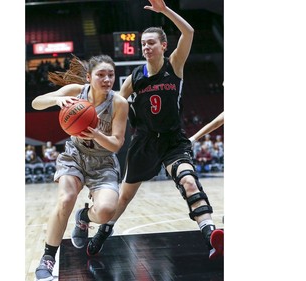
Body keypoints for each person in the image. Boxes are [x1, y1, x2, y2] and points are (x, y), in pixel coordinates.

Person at [88, 0, 223, 260]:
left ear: (163, 46)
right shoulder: (135, 78)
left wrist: (165, 11)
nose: (146, 47)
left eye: (151, 43)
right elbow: (113, 102)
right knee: (125, 197)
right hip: (144, 142)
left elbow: (189, 33)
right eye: (143, 44)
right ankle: (103, 231)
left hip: (174, 140)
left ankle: (211, 235)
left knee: (188, 181)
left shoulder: (175, 66)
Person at [31, 54, 129, 281]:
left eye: (110, 75)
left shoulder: (119, 103)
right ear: (89, 77)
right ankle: (48, 257)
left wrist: (95, 132)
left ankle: (84, 216)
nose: (106, 79)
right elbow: (36, 103)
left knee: (105, 212)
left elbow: (115, 144)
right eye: (101, 75)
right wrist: (56, 100)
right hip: (75, 156)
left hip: (103, 162)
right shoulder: (76, 91)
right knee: (66, 199)